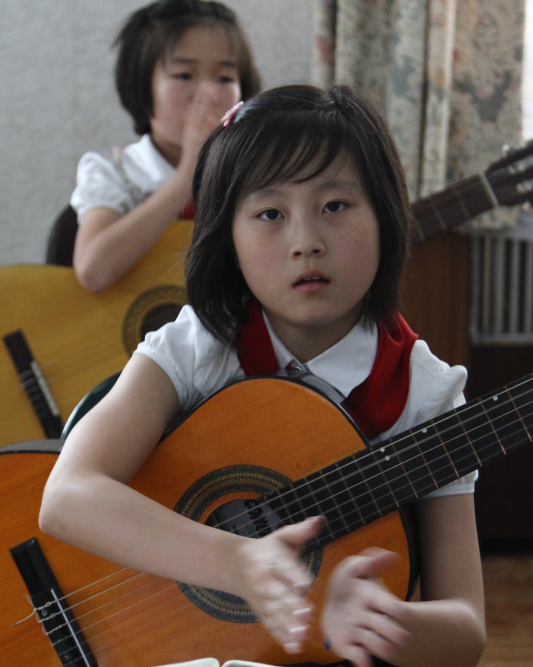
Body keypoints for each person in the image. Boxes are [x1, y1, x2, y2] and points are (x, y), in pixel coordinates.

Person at [41, 85, 486, 667]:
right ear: (228, 236)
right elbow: (67, 497)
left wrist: (385, 622)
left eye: (335, 206)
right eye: (270, 214)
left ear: (386, 215)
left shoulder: (424, 395)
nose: (306, 242)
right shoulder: (201, 345)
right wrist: (234, 562)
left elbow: (466, 627)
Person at [71, 0, 260, 292]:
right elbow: (94, 271)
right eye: (184, 75)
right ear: (141, 87)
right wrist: (188, 174)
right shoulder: (116, 171)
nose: (209, 95)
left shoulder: (258, 170)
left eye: (225, 77)